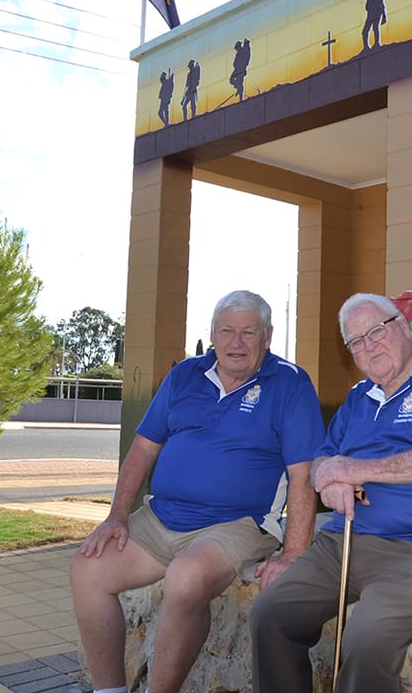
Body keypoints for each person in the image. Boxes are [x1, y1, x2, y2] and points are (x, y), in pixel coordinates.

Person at [71, 289, 325, 693]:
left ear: (268, 336)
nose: (236, 343)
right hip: (162, 517)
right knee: (88, 569)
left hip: (239, 523)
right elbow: (142, 449)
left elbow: (303, 474)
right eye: (227, 331)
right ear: (212, 334)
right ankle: (109, 691)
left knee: (186, 577)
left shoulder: (290, 385)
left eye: (248, 333)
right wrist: (117, 516)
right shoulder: (185, 375)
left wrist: (294, 552)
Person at [251, 291, 412, 693]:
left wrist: (356, 469)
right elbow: (321, 461)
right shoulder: (359, 398)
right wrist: (329, 476)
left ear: (404, 326)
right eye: (356, 341)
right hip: (343, 544)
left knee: (364, 640)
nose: (368, 345)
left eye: (376, 331)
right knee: (271, 613)